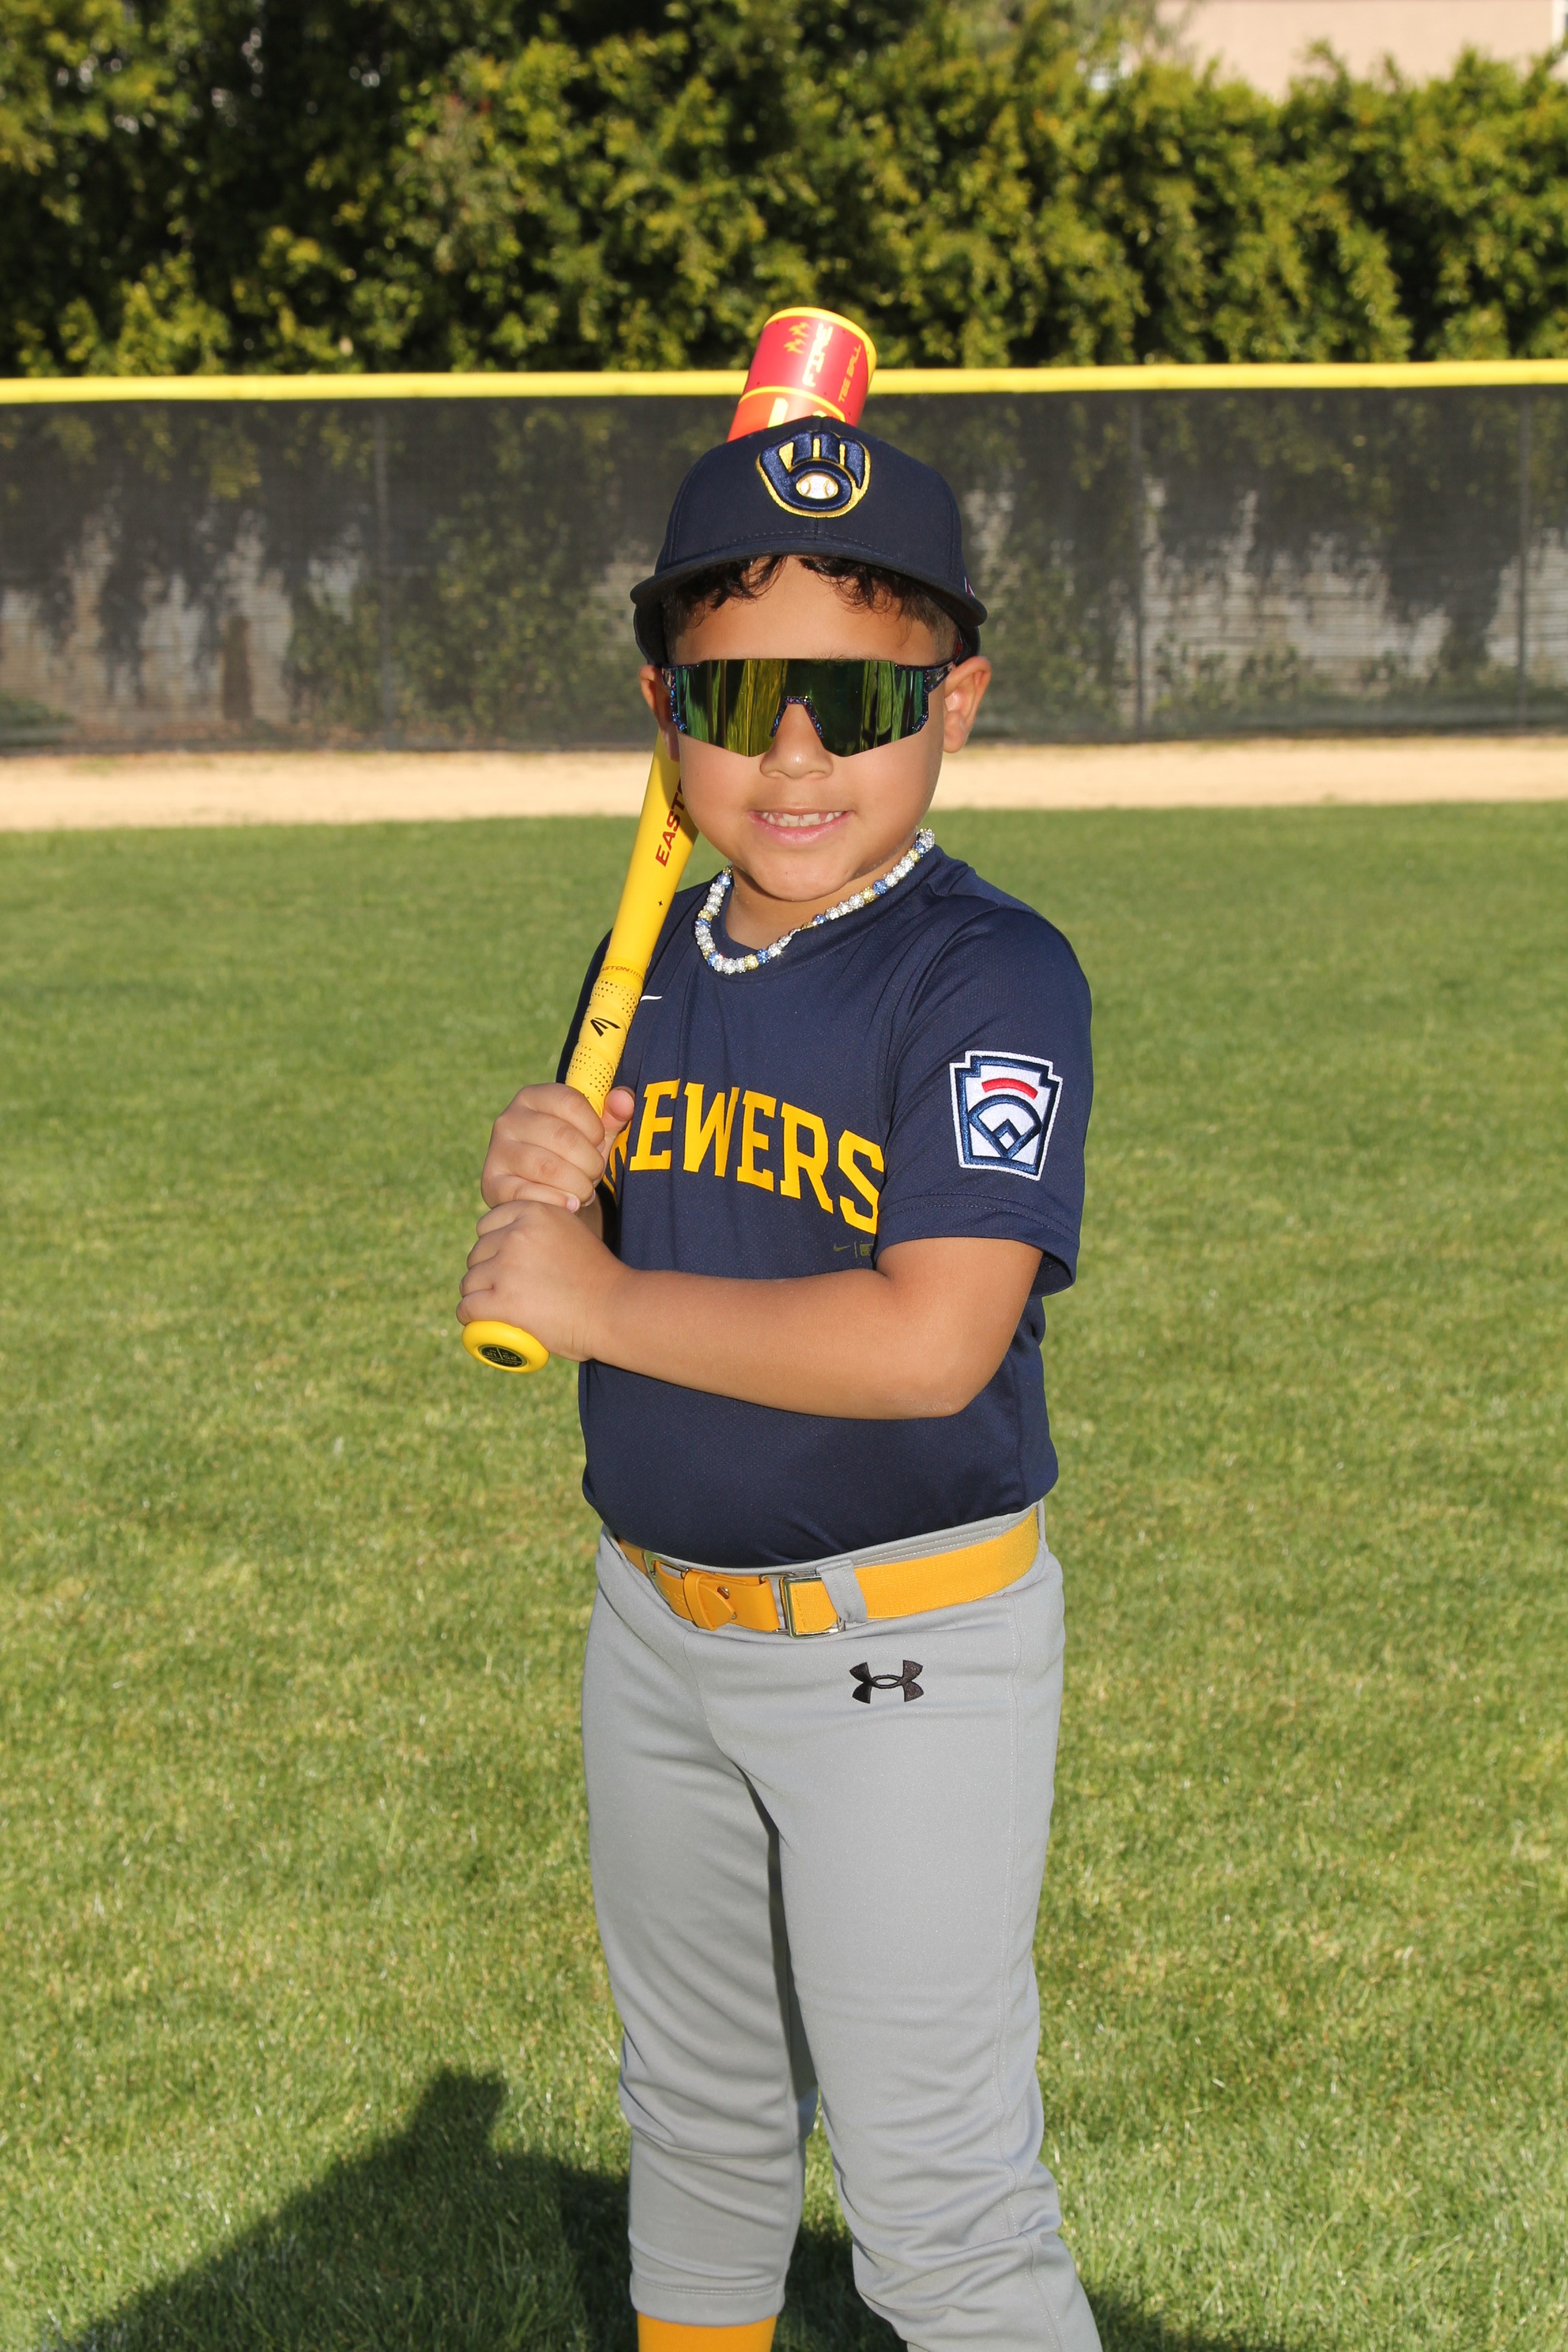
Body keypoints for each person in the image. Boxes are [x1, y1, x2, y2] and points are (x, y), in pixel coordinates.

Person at [459, 419, 1100, 2352]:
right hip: (655, 1627)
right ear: (668, 710)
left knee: (942, 2209)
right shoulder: (645, 950)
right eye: (742, 698)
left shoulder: (987, 976)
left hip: (903, 1650)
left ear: (956, 702)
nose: (799, 755)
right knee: (701, 2122)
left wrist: (595, 1296)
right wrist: (559, 1186)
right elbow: (646, 1245)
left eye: (862, 698)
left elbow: (930, 1342)